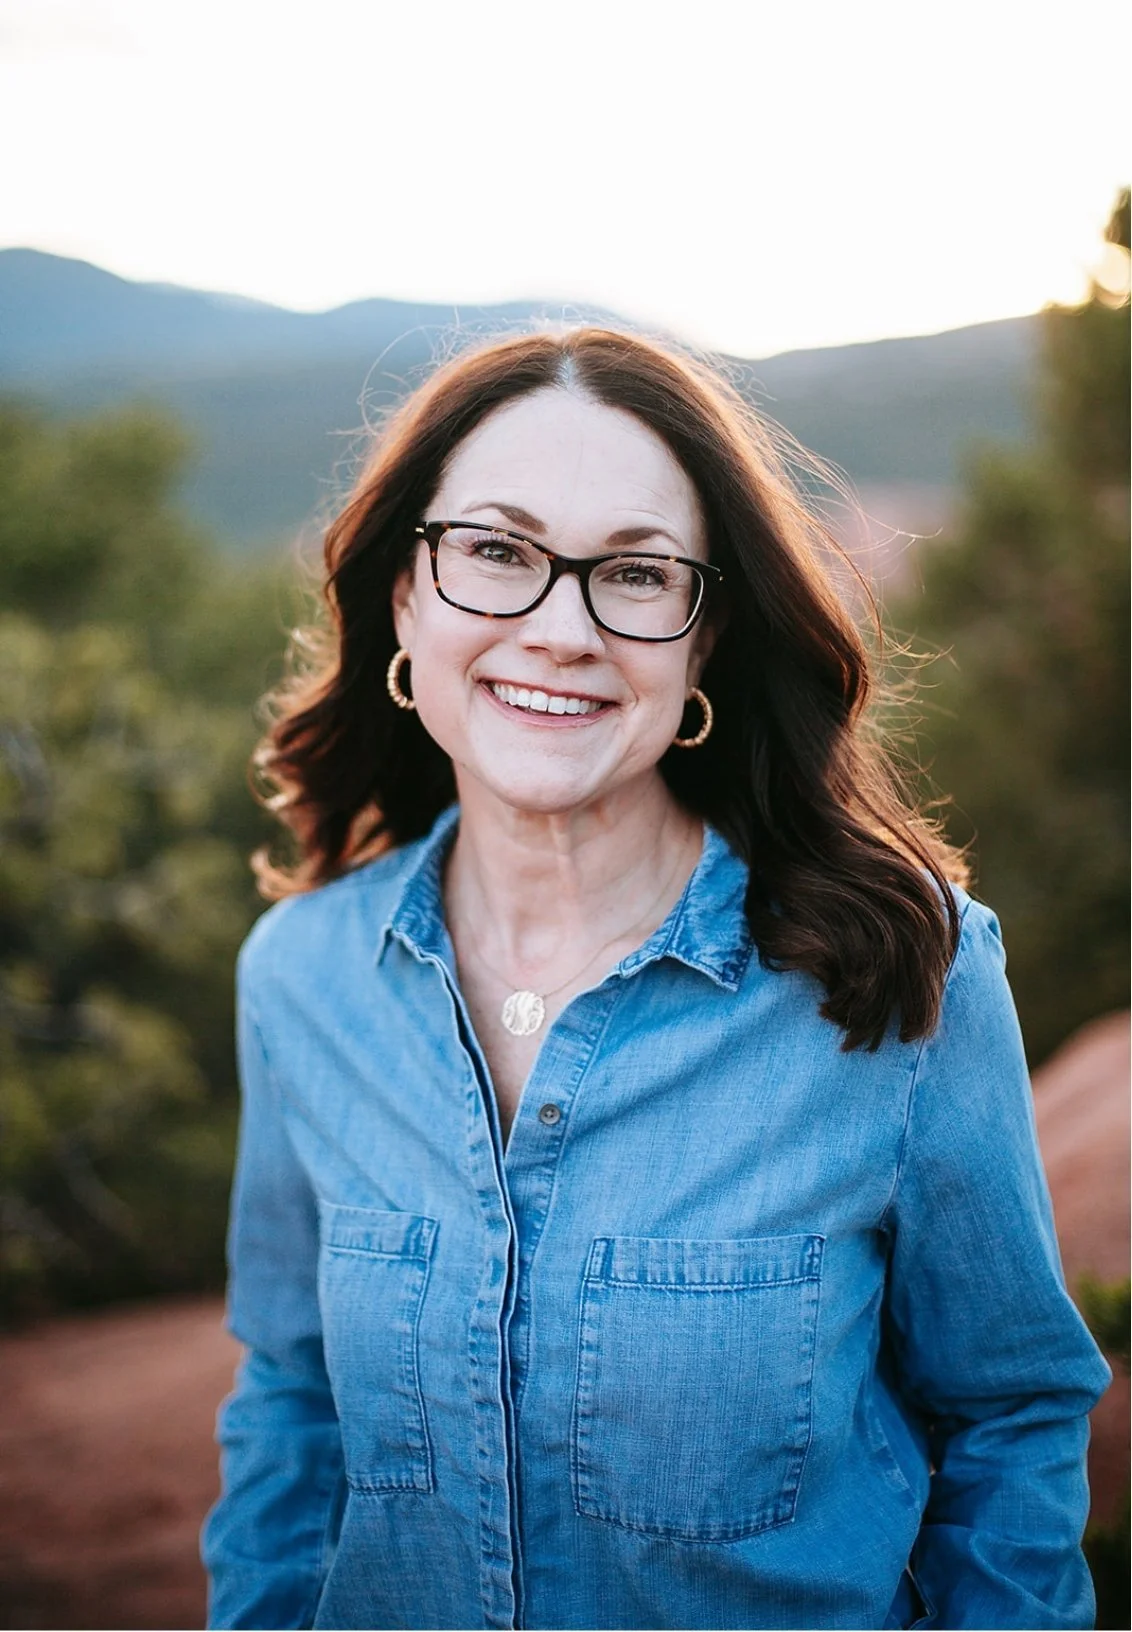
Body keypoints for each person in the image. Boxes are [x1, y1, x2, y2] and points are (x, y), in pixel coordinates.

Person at [200, 327, 1110, 1631]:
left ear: (703, 641)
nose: (560, 631)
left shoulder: (904, 978)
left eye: (633, 573)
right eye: (498, 554)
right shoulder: (302, 979)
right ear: (406, 596)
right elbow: (291, 1397)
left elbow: (1009, 1417)